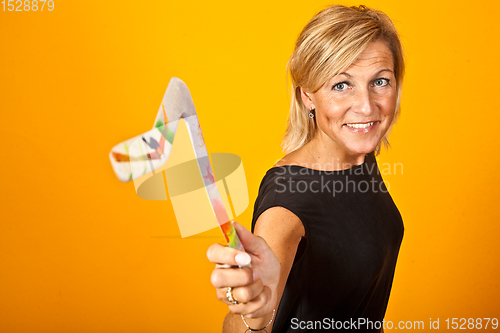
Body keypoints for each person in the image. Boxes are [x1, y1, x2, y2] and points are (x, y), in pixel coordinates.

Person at [207, 4, 405, 332]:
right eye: (341, 85)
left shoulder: (357, 154)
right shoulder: (287, 201)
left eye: (379, 81)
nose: (366, 106)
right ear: (308, 97)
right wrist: (255, 313)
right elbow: (248, 324)